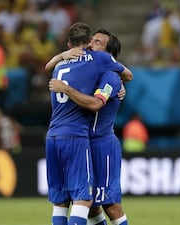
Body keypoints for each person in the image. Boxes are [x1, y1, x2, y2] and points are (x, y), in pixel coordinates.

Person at [45, 22, 126, 225]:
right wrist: (60, 56)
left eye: (97, 42)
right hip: (81, 140)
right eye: (91, 39)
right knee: (90, 206)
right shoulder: (85, 70)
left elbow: (97, 103)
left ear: (108, 54)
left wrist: (65, 86)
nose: (90, 44)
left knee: (109, 204)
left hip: (102, 144)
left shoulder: (109, 77)